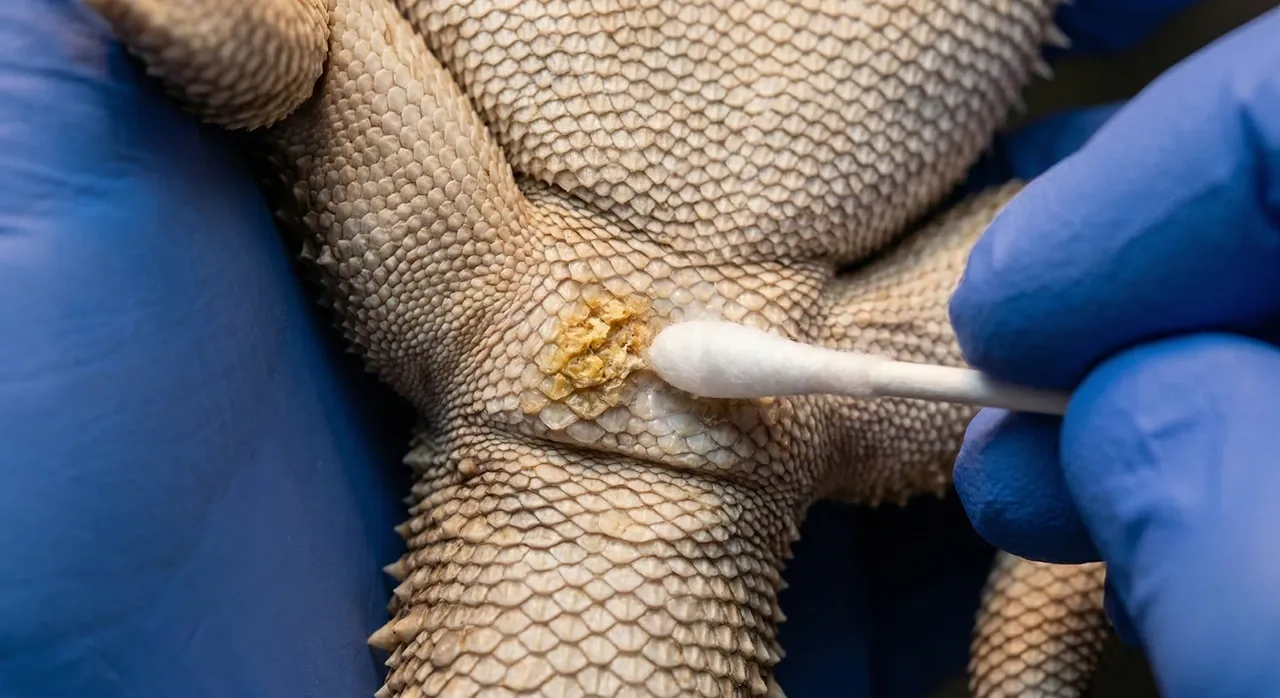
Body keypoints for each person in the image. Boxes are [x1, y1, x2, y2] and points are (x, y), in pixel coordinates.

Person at [0, 1, 1268, 697]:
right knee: (1121, 326)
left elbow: (293, 55)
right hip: (576, 265)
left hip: (514, 248)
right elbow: (1102, 392)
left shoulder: (464, 274)